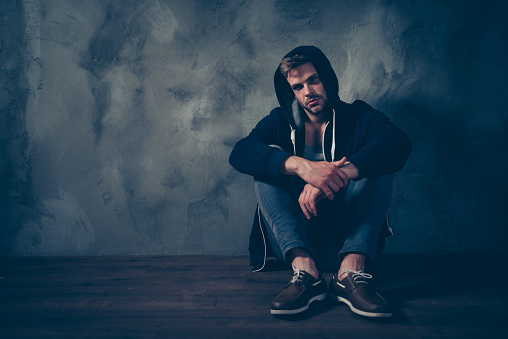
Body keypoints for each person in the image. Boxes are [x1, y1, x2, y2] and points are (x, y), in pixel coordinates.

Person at [229, 46, 412, 317]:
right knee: (269, 164)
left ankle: (349, 275)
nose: (308, 92)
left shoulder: (359, 116)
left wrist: (337, 174)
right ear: (290, 91)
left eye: (314, 80)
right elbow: (241, 152)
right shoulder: (280, 121)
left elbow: (398, 143)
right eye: (298, 86)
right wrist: (302, 167)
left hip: (353, 243)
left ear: (327, 78)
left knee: (378, 163)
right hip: (296, 247)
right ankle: (307, 277)